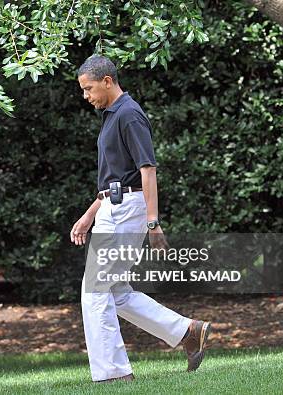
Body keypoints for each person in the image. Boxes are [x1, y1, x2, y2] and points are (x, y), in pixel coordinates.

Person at [70, 54, 211, 383]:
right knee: (115, 291)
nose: (86, 96)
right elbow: (114, 178)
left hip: (126, 211)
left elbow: (147, 170)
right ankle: (188, 332)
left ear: (108, 81)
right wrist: (91, 213)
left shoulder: (129, 114)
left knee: (94, 292)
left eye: (89, 89)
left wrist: (153, 221)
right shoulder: (111, 114)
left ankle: (114, 374)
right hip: (112, 207)